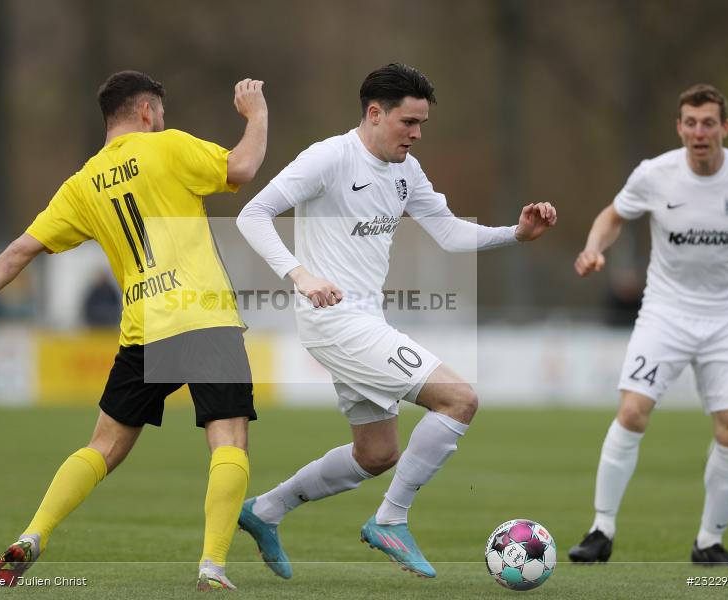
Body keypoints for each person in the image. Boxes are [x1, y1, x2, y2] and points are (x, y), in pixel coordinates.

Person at [0, 70, 268, 590]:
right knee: (229, 438)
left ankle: (34, 534)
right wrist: (256, 114)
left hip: (143, 329)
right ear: (146, 111)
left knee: (104, 445)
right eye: (160, 113)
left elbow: (19, 251)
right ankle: (212, 565)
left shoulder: (82, 183)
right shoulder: (167, 148)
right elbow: (243, 165)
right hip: (204, 317)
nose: (163, 121)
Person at [235, 63, 556, 579]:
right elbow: (255, 212)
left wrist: (514, 235)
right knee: (460, 398)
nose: (417, 133)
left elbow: (449, 234)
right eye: (408, 122)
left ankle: (264, 510)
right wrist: (301, 274)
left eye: (422, 123)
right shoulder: (330, 157)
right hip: (334, 320)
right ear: (375, 113)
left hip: (362, 319)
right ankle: (391, 518)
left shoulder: (407, 171)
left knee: (377, 453)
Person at [570, 84, 728, 567]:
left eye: (709, 123)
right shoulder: (655, 175)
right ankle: (600, 530)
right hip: (666, 312)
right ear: (679, 128)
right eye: (691, 123)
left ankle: (708, 542)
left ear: (725, 128)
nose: (700, 132)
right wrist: (596, 247)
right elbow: (614, 216)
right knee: (633, 411)